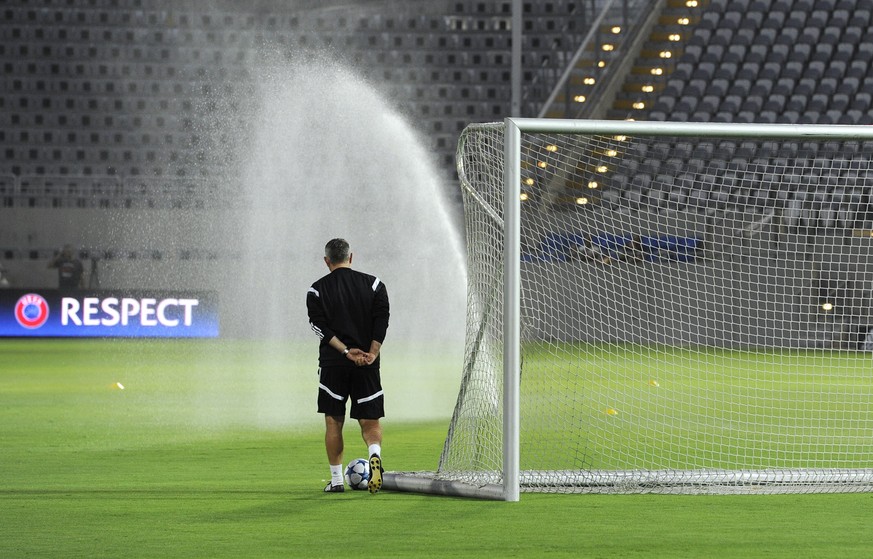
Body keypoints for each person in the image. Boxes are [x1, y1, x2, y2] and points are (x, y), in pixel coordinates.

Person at [306, 238, 390, 494]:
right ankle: (374, 454)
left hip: (334, 364)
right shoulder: (375, 285)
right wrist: (372, 352)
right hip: (367, 363)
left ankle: (337, 480)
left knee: (334, 423)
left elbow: (318, 326)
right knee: (370, 422)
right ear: (350, 257)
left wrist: (345, 351)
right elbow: (382, 319)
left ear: (326, 261)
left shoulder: (317, 290)